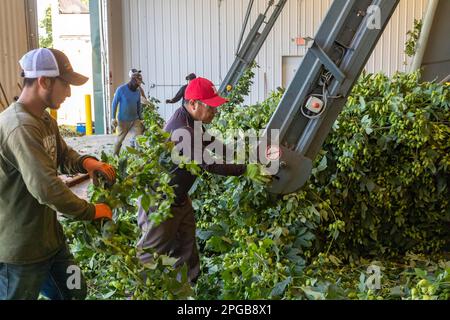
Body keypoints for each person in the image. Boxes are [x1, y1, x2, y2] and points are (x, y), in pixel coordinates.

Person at [0, 48, 116, 300]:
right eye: (65, 84)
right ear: (44, 81)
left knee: (75, 291)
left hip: (51, 243)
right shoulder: (19, 127)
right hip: (21, 254)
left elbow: (62, 155)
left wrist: (87, 163)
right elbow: (47, 188)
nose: (69, 92)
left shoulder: (43, 119)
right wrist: (92, 210)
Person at [136, 77, 269, 283]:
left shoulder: (192, 121)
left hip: (179, 198)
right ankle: (135, 294)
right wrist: (244, 169)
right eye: (211, 107)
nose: (215, 112)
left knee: (186, 249)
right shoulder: (182, 130)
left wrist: (237, 152)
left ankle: (188, 291)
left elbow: (211, 143)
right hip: (159, 202)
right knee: (150, 256)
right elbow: (209, 164)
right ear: (193, 104)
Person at [111, 69, 145, 155]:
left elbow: (138, 106)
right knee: (119, 140)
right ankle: (115, 156)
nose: (139, 86)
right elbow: (114, 104)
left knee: (139, 139)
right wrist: (113, 118)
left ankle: (139, 159)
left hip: (135, 120)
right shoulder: (121, 90)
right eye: (138, 84)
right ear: (133, 81)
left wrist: (141, 119)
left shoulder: (137, 92)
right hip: (123, 121)